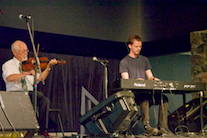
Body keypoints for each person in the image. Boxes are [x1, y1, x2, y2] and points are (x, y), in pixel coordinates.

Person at [2, 40, 57, 137]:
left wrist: (48, 67)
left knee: (44, 100)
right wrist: (26, 73)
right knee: (37, 95)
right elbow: (9, 78)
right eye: (23, 51)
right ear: (15, 52)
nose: (26, 53)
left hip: (29, 94)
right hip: (15, 94)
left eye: (27, 50)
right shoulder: (8, 65)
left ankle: (42, 128)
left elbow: (40, 78)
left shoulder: (29, 65)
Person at [119, 35, 172, 136]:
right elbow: (125, 81)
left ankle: (163, 127)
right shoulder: (124, 62)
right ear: (130, 46)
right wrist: (135, 80)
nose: (138, 49)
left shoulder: (144, 60)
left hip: (145, 91)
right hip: (133, 95)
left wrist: (154, 79)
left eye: (140, 46)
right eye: (136, 46)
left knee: (163, 98)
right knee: (144, 98)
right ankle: (146, 127)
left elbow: (150, 76)